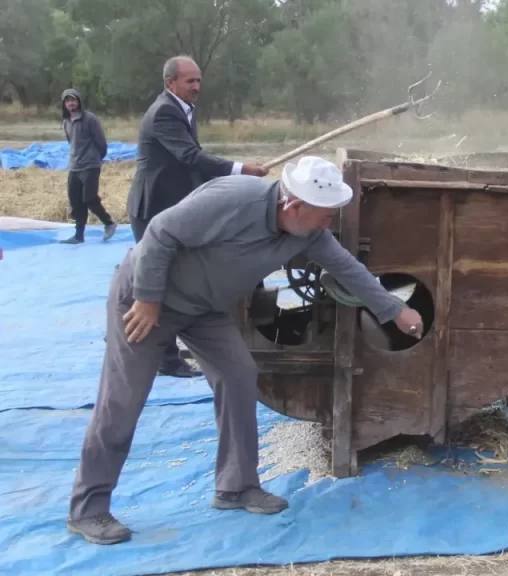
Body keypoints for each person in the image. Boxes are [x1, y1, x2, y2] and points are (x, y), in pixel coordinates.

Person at [67, 156, 425, 545]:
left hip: (204, 310)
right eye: (324, 215)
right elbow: (160, 232)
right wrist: (149, 297)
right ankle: (89, 508)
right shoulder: (233, 199)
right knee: (122, 401)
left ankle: (235, 486)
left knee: (239, 376)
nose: (328, 224)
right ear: (295, 206)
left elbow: (348, 269)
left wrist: (395, 310)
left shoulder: (308, 231)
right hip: (145, 301)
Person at [127, 55, 268, 379]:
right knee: (155, 283)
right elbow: (190, 156)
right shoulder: (164, 111)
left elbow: (191, 162)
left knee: (169, 280)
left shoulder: (183, 109)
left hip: (173, 208)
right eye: (190, 81)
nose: (196, 87)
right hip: (153, 210)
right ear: (170, 83)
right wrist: (240, 170)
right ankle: (165, 359)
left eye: (199, 80)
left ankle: (156, 342)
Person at [58, 88, 117, 245]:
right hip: (74, 166)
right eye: (68, 100)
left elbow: (101, 143)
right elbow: (71, 142)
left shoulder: (90, 119)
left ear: (79, 101)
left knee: (89, 198)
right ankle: (79, 236)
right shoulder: (66, 121)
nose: (71, 103)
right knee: (76, 201)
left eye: (73, 100)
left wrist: (96, 159)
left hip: (90, 165)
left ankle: (109, 223)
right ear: (64, 104)